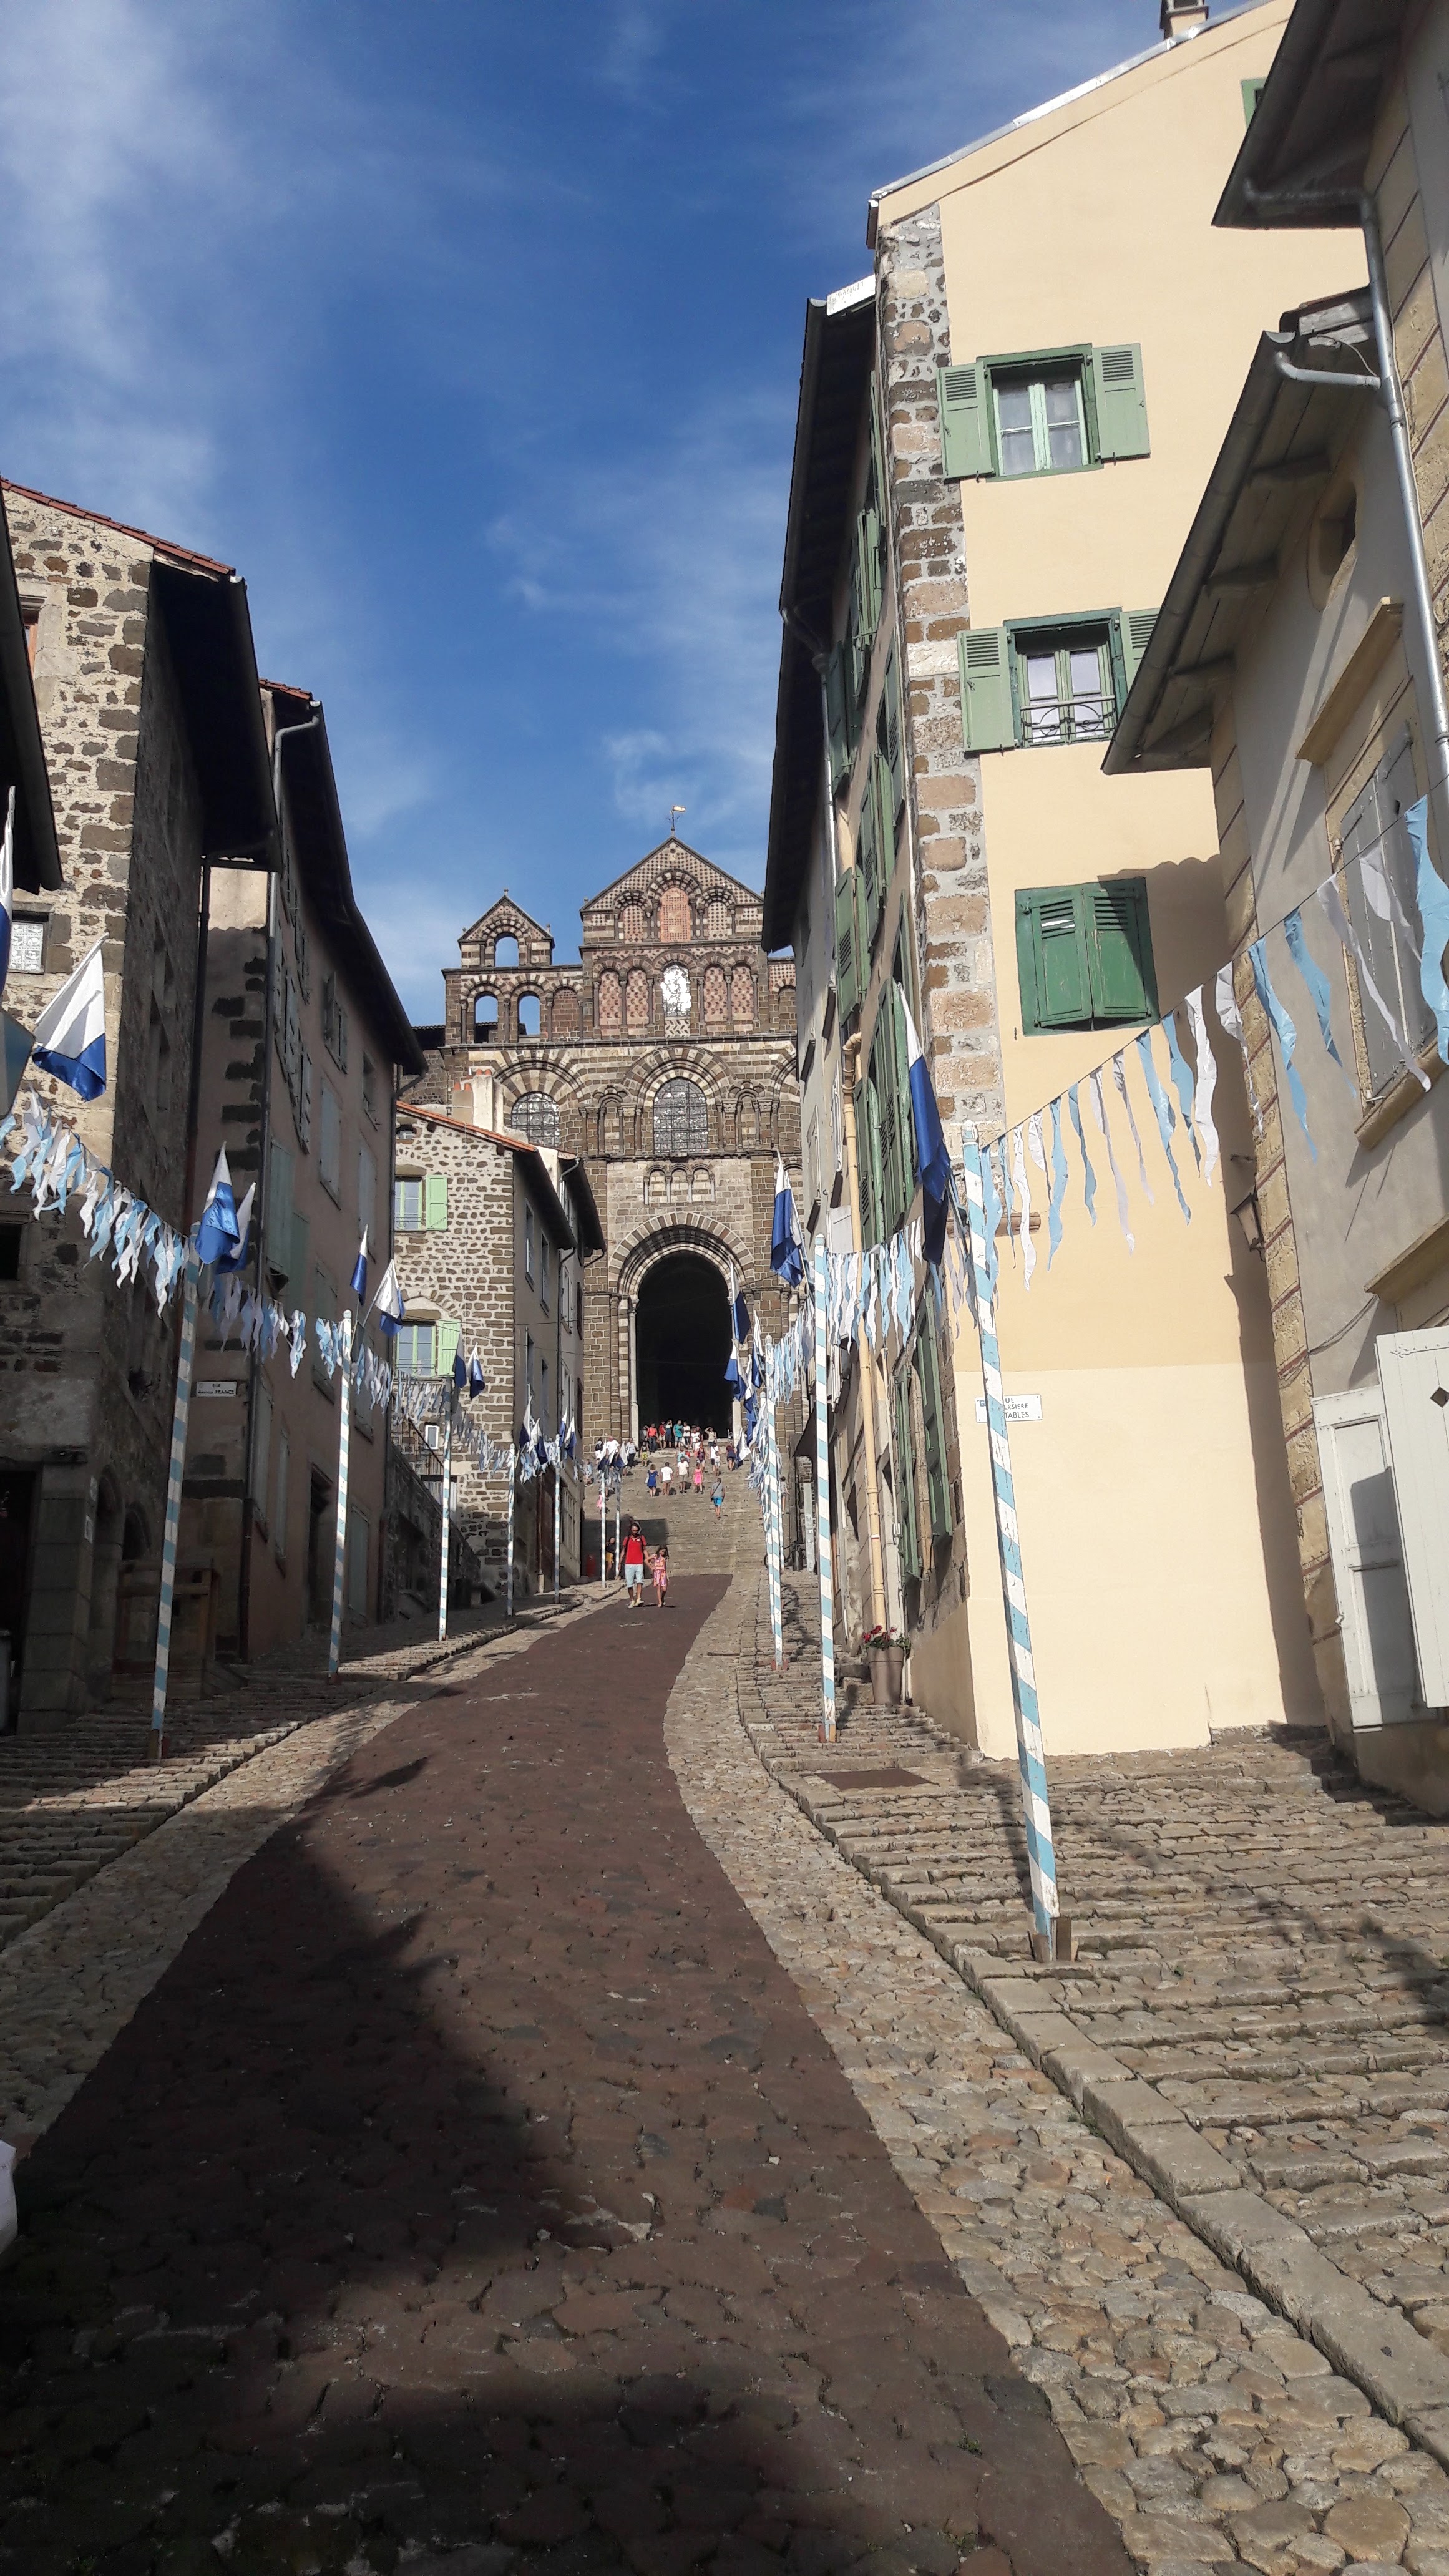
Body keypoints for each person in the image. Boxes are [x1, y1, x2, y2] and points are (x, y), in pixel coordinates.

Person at [622, 1519, 647, 1609]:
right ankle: (632, 1599)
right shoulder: (627, 1539)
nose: (635, 1532)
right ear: (631, 1530)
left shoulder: (641, 1539)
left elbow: (644, 1550)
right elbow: (623, 1551)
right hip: (629, 1563)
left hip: (639, 1562)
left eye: (636, 1531)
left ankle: (638, 1598)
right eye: (633, 1531)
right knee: (629, 1584)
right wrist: (620, 1563)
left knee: (640, 1581)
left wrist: (649, 1559)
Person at [651, 1537, 669, 1608]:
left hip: (663, 1573)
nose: (663, 1553)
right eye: (662, 1551)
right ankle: (660, 1602)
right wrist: (652, 1567)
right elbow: (648, 1560)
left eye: (664, 1552)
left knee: (664, 1589)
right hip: (658, 1573)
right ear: (659, 1551)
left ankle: (662, 1598)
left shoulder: (664, 1558)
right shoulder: (656, 1556)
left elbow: (665, 1567)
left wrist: (667, 1576)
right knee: (659, 1587)